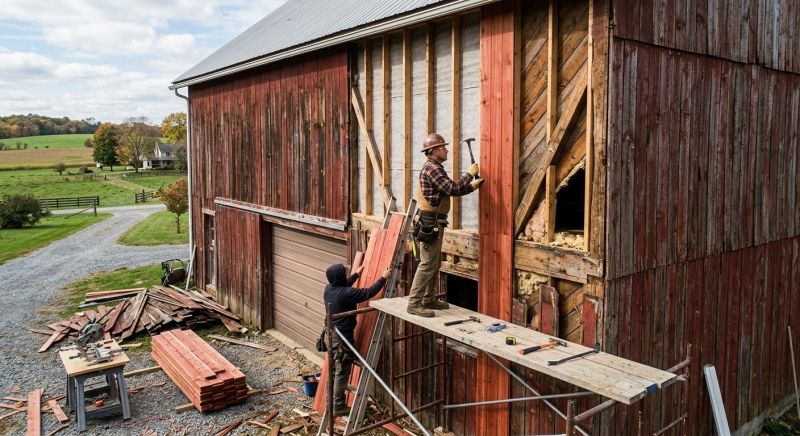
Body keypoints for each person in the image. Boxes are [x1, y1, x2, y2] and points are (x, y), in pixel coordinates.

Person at [406, 133, 483, 318]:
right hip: (429, 223)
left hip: (433, 222)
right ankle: (414, 304)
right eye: (443, 148)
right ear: (434, 151)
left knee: (434, 263)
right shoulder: (433, 169)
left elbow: (448, 191)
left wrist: (471, 187)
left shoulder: (434, 168)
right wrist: (469, 175)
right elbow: (452, 188)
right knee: (427, 264)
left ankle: (428, 299)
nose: (447, 150)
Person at [323, 263, 392, 417]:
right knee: (341, 372)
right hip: (342, 339)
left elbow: (344, 287)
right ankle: (338, 406)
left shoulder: (329, 289)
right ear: (340, 277)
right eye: (346, 274)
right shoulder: (345, 293)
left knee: (333, 370)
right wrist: (383, 278)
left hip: (331, 335)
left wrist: (356, 275)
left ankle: (331, 403)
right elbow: (368, 292)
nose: (348, 275)